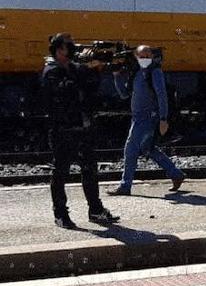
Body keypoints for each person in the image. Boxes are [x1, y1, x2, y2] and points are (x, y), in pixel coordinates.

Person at [40, 33, 119, 229]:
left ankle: (96, 210)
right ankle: (60, 214)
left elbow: (91, 88)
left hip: (83, 128)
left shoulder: (75, 68)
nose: (74, 49)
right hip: (63, 129)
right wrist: (84, 72)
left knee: (90, 169)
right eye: (69, 46)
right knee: (60, 172)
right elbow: (64, 93)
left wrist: (97, 70)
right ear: (59, 51)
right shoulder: (51, 71)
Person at [109, 45, 186, 196]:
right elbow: (124, 94)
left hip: (148, 117)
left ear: (152, 56)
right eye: (141, 56)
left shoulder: (155, 72)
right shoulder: (136, 73)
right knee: (147, 149)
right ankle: (176, 174)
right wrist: (117, 76)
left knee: (130, 149)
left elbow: (162, 95)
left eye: (147, 56)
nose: (144, 59)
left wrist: (163, 118)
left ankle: (125, 186)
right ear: (136, 57)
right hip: (137, 117)